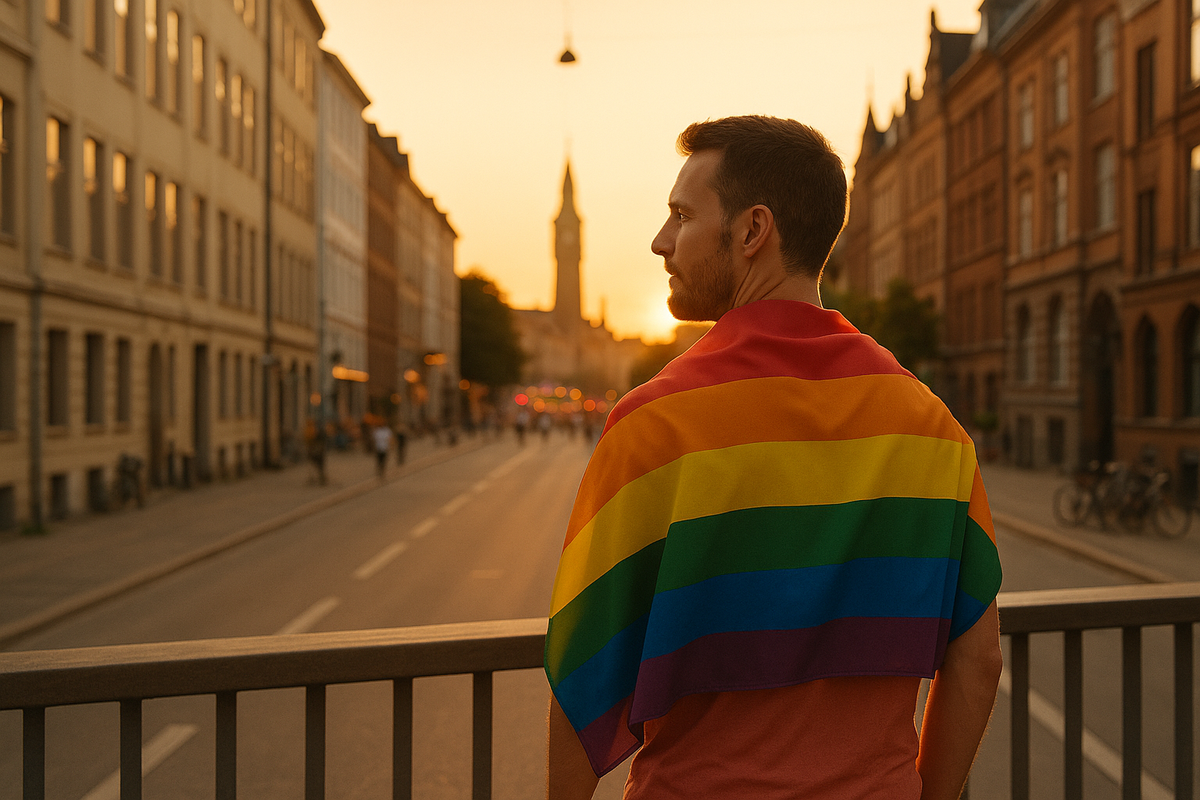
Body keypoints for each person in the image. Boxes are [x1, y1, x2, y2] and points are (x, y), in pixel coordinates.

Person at [544, 116, 1003, 800]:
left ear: (753, 231)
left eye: (680, 215)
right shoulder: (931, 427)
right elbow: (979, 661)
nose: (660, 241)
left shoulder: (655, 424)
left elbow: (585, 674)